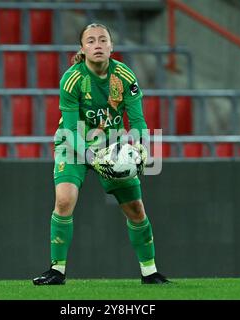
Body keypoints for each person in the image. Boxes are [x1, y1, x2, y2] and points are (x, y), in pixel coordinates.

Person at [33, 23, 169, 285]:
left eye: (103, 40)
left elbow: (138, 122)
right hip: (73, 144)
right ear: (82, 49)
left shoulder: (125, 76)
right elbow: (71, 131)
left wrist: (140, 148)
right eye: (91, 40)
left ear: (111, 47)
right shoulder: (72, 78)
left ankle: (150, 272)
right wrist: (93, 159)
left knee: (136, 209)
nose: (97, 44)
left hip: (113, 145)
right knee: (64, 200)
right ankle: (57, 271)